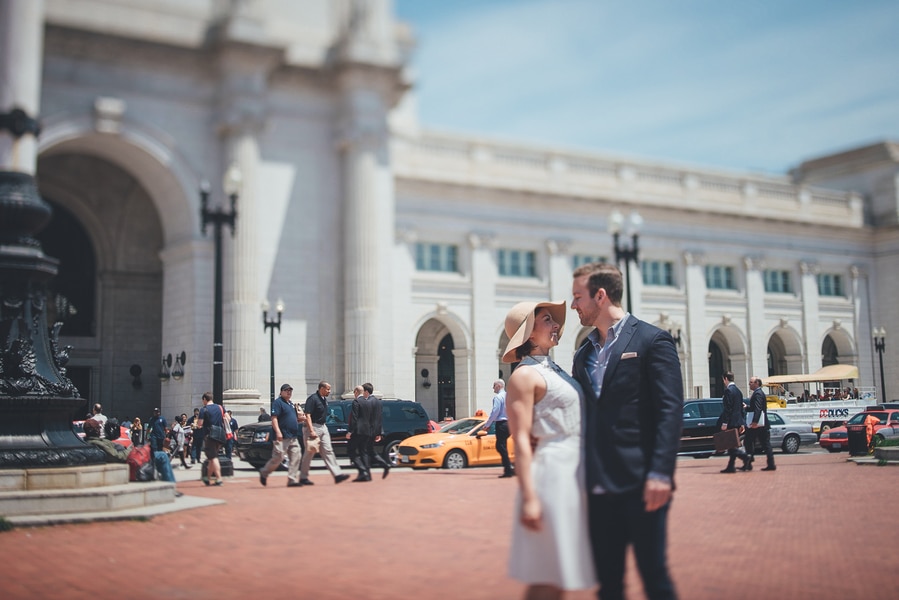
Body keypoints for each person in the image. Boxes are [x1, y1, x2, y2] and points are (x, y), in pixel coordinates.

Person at [570, 262, 683, 600]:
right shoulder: (582, 354)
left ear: (600, 296)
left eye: (578, 297)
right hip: (599, 485)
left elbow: (669, 409)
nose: (574, 305)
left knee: (654, 577)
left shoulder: (653, 340)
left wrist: (661, 472)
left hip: (643, 482)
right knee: (608, 584)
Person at [504, 300, 596, 598]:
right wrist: (530, 498)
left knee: (562, 573)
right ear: (529, 333)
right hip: (552, 477)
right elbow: (520, 439)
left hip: (574, 473)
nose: (556, 325)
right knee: (548, 576)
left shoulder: (556, 370)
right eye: (547, 320)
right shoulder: (523, 376)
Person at [299, 381, 350, 486]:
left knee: (328, 450)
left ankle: (337, 475)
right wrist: (311, 430)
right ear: (321, 388)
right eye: (327, 389)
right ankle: (303, 477)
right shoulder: (312, 399)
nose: (329, 391)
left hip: (323, 427)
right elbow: (307, 415)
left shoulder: (324, 400)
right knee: (309, 453)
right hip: (313, 427)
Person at [259, 383, 303, 487]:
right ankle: (264, 472)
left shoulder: (291, 404)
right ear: (281, 392)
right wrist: (278, 432)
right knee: (278, 458)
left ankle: (292, 479)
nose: (289, 392)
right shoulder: (278, 403)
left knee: (296, 456)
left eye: (290, 391)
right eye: (286, 390)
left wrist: (300, 419)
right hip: (282, 436)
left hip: (293, 436)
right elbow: (274, 418)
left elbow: (292, 418)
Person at [348, 382, 391, 482]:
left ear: (366, 391)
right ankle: (379, 467)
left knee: (359, 451)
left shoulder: (361, 402)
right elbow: (379, 418)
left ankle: (365, 472)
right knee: (367, 451)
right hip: (373, 431)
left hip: (361, 430)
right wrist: (379, 432)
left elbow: (355, 418)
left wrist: (350, 431)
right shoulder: (377, 402)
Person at [717, 371, 752, 473]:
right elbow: (741, 408)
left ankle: (744, 457)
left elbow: (728, 408)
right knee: (732, 445)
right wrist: (742, 422)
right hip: (738, 421)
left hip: (731, 422)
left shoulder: (728, 391)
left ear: (725, 379)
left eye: (723, 380)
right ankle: (731, 466)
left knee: (731, 445)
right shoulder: (738, 391)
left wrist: (724, 423)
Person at [482, 379, 514, 478]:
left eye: (494, 385)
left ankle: (508, 469)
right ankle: (509, 467)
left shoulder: (498, 398)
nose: (493, 388)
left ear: (499, 386)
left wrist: (487, 425)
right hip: (510, 423)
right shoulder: (509, 396)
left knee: (500, 446)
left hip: (501, 423)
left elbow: (495, 412)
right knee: (501, 446)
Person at [745, 376, 776, 471]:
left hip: (758, 424)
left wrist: (754, 422)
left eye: (751, 382)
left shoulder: (758, 393)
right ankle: (770, 464)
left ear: (757, 383)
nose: (749, 384)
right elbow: (755, 408)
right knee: (765, 444)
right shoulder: (758, 393)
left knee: (749, 442)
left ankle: (749, 462)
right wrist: (747, 407)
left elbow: (758, 409)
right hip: (762, 424)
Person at [197, 392, 224, 486]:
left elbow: (200, 424)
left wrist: (197, 425)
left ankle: (219, 478)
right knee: (211, 458)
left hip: (210, 435)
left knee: (213, 457)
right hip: (220, 435)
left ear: (204, 399)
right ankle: (207, 478)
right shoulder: (220, 407)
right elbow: (227, 418)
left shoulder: (204, 410)